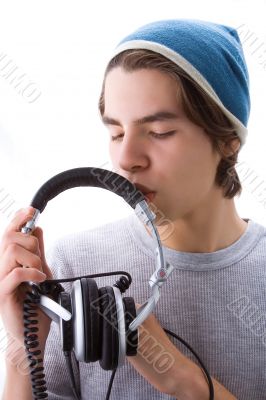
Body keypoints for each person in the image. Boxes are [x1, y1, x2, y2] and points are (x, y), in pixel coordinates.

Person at [0, 18, 265, 400]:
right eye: (116, 133)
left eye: (159, 132)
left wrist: (180, 379)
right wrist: (21, 347)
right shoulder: (70, 269)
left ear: (227, 141)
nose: (126, 159)